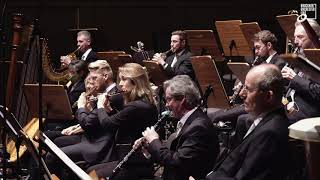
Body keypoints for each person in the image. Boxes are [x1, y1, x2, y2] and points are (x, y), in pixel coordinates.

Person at [205, 64, 289, 180]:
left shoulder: (270, 133)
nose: (241, 94)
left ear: (268, 96)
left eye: (248, 89)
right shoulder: (265, 122)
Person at [135, 75, 219, 180]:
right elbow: (172, 156)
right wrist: (149, 147)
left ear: (182, 100)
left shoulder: (199, 127)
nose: (166, 104)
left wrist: (154, 141)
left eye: (169, 99)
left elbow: (176, 162)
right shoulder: (190, 121)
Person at [280, 18, 320, 123]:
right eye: (295, 37)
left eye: (300, 37)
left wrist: (294, 78)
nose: (296, 42)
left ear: (313, 36)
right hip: (289, 104)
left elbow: (317, 92)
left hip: (308, 111)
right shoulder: (301, 57)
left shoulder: (318, 59)